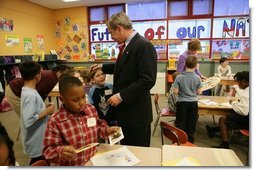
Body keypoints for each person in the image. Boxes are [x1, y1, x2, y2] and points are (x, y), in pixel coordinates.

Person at [90, 12, 157, 147]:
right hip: (127, 112)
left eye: (111, 33)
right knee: (127, 150)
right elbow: (124, 67)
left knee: (138, 151)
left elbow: (148, 79)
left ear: (119, 28)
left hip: (136, 114)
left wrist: (121, 96)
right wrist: (103, 67)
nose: (112, 37)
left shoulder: (143, 45)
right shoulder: (129, 45)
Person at [43, 75, 119, 166]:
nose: (82, 103)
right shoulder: (56, 120)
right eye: (75, 100)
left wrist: (106, 130)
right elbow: (48, 151)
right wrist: (61, 151)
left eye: (83, 97)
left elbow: (98, 128)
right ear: (62, 99)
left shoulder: (90, 110)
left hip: (92, 161)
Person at [19, 61, 55, 165]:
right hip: (36, 141)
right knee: (38, 162)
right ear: (37, 76)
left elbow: (32, 111)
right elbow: (28, 119)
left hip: (37, 138)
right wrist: (47, 112)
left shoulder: (27, 91)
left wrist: (43, 109)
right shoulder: (31, 96)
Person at [5, 64, 72, 117]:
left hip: (18, 88)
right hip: (13, 91)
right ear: (58, 72)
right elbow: (39, 94)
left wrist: (42, 107)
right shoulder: (52, 78)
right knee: (26, 116)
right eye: (66, 74)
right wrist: (43, 110)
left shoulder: (52, 74)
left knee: (35, 114)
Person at [213, 71, 249, 149]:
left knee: (222, 119)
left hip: (248, 120)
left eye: (238, 82)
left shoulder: (246, 93)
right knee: (231, 113)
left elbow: (244, 111)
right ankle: (214, 129)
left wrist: (233, 103)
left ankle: (225, 144)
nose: (238, 85)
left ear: (243, 82)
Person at [173, 56, 203, 143]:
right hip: (193, 102)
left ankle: (179, 139)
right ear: (196, 66)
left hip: (182, 102)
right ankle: (189, 141)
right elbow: (199, 92)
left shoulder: (179, 77)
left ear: (185, 65)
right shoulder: (197, 77)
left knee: (180, 122)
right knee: (191, 122)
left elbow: (175, 91)